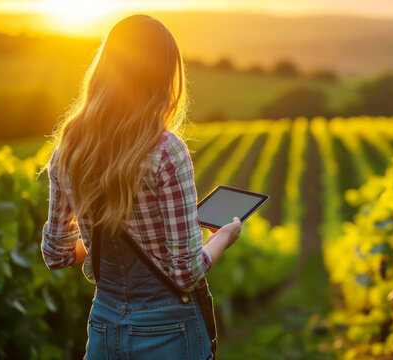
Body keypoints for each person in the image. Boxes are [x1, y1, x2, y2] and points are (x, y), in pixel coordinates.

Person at [39, 14, 241, 359]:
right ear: (163, 78)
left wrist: (109, 240)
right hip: (169, 329)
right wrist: (223, 235)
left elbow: (56, 255)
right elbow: (185, 271)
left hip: (103, 326)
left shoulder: (69, 149)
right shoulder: (166, 151)